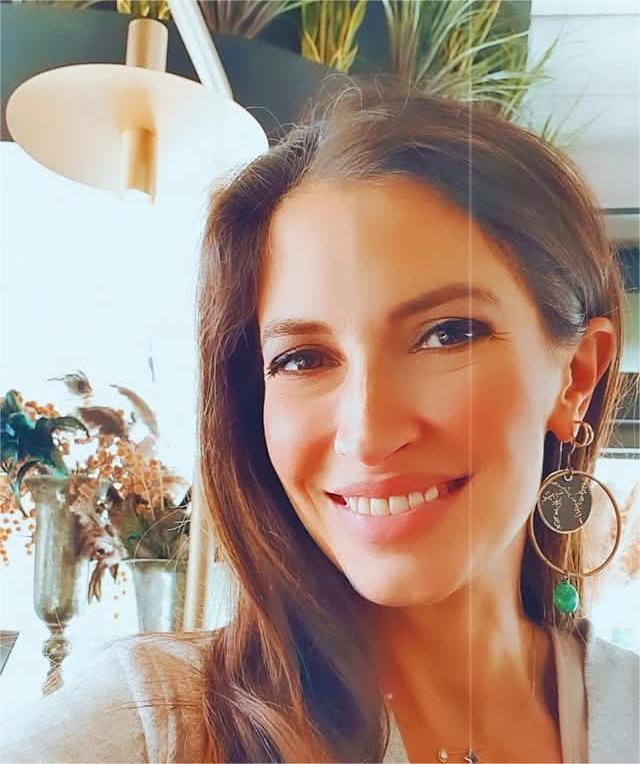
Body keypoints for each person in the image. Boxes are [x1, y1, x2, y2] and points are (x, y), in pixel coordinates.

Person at [1, 76, 638, 764]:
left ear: (576, 376)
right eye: (303, 359)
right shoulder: (153, 728)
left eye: (447, 334)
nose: (367, 433)